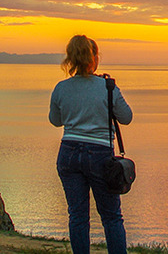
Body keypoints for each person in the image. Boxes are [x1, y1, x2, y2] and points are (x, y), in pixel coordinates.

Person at [49, 35, 133, 254]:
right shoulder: (107, 87)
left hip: (68, 152)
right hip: (100, 155)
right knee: (111, 216)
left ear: (70, 58)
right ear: (94, 57)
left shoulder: (61, 88)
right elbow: (126, 117)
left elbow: (55, 121)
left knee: (77, 215)